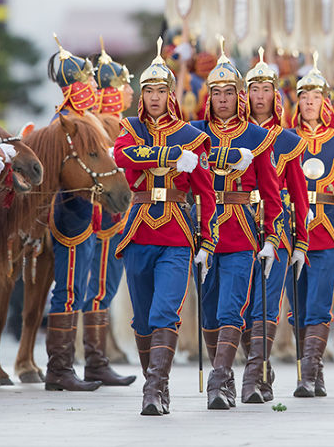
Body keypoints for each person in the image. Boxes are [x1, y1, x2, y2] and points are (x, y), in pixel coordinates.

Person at [113, 39, 215, 415]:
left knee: (164, 313)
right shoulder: (130, 128)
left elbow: (206, 193)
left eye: (161, 91)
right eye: (149, 91)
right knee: (141, 319)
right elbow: (124, 156)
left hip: (175, 233)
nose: (155, 98)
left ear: (171, 94)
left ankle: (155, 390)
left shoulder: (192, 135)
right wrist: (170, 155)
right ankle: (153, 381)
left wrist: (207, 236)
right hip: (138, 231)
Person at [190, 40, 284, 411]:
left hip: (242, 230)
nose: (224, 99)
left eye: (230, 93)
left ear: (239, 96)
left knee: (233, 307)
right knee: (210, 311)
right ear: (209, 96)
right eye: (217, 93)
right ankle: (226, 373)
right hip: (203, 232)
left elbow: (272, 192)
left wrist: (272, 238)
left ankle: (219, 381)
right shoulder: (194, 134)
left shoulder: (257, 137)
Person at [288, 56, 334, 398]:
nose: (309, 104)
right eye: (304, 97)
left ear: (325, 102)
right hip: (292, 231)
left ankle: (306, 376)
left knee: (319, 304)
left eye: (315, 98)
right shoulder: (285, 140)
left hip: (328, 231)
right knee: (297, 307)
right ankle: (314, 372)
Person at [241, 48, 308, 403]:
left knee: (266, 304)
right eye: (254, 89)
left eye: (267, 90)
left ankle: (254, 377)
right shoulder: (233, 133)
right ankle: (259, 369)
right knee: (240, 302)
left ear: (275, 95)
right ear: (246, 94)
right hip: (236, 225)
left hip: (277, 227)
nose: (260, 97)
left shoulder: (288, 139)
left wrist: (302, 242)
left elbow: (298, 193)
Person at [43, 36, 103, 392]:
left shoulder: (83, 120)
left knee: (78, 289)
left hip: (87, 214)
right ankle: (59, 369)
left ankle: (67, 366)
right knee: (67, 290)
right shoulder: (64, 123)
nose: (94, 88)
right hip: (71, 213)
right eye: (89, 82)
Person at [82, 41, 136, 387]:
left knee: (106, 288)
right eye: (122, 84)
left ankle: (98, 357)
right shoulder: (105, 125)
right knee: (100, 289)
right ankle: (95, 361)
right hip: (106, 219)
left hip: (116, 219)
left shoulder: (110, 123)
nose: (129, 90)